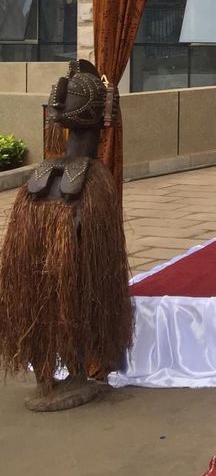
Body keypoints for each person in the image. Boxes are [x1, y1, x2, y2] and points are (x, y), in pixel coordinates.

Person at [0, 60, 132, 411]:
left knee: (70, 300)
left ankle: (62, 376)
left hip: (64, 268)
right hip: (58, 269)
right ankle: (59, 374)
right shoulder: (83, 176)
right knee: (66, 300)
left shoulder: (63, 175)